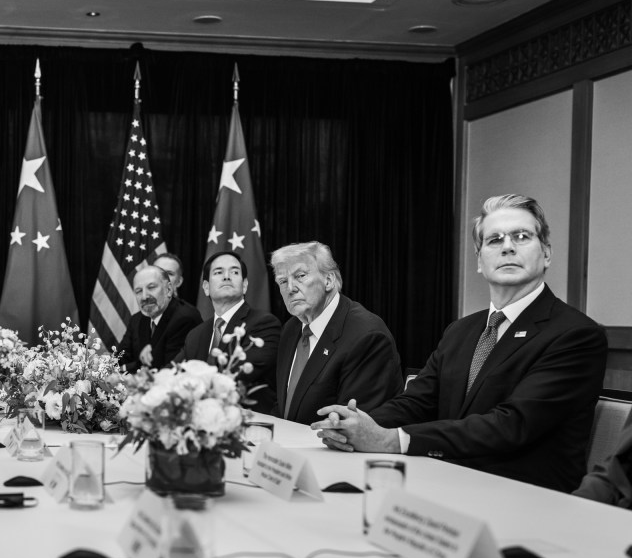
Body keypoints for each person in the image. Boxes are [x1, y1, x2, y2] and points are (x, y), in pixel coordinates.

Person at [314, 195, 607, 492]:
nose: (507, 246)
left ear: (546, 254)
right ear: (480, 261)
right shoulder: (461, 330)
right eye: (494, 240)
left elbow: (512, 425)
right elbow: (417, 402)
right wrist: (356, 425)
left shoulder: (576, 334)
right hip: (442, 484)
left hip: (524, 498)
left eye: (521, 236)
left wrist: (391, 440)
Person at [270, 241, 403, 425]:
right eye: (283, 281)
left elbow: (354, 427)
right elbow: (286, 409)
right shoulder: (291, 329)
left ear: (329, 280)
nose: (290, 288)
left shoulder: (367, 335)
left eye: (300, 276)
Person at [175, 250, 280, 411]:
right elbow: (174, 372)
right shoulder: (196, 334)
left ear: (244, 285)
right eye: (218, 272)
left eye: (234, 272)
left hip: (248, 423)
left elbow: (237, 377)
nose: (226, 276)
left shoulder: (264, 324)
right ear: (206, 287)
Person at [116, 265, 202, 372]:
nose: (144, 297)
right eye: (138, 291)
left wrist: (131, 366)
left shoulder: (185, 318)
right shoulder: (137, 319)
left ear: (169, 290)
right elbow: (120, 358)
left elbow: (169, 370)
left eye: (151, 287)